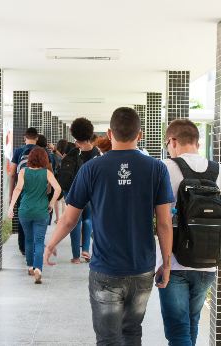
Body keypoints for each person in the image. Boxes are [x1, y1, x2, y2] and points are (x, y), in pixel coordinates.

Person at [43, 107, 175, 345]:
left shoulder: (91, 169)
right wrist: (166, 263)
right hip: (142, 269)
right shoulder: (157, 168)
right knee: (132, 332)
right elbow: (165, 222)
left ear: (109, 132)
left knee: (107, 339)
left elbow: (70, 218)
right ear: (141, 134)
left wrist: (50, 244)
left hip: (105, 270)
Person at [159, 119, 221, 346]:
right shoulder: (220, 171)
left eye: (168, 144)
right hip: (208, 263)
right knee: (192, 324)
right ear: (197, 145)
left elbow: (159, 219)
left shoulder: (164, 168)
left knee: (178, 331)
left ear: (172, 142)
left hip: (174, 263)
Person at [8, 147, 61, 284]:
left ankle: (30, 266)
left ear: (30, 158)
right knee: (39, 240)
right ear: (44, 159)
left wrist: (11, 206)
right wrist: (51, 202)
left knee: (28, 239)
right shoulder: (47, 173)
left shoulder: (23, 171)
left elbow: (18, 188)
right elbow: (58, 188)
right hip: (41, 211)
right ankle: (38, 269)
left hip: (24, 211)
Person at [64, 118, 100, 263]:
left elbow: (64, 171)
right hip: (91, 192)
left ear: (74, 134)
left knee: (74, 221)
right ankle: (86, 249)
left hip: (74, 191)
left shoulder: (72, 151)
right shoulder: (96, 152)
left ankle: (76, 256)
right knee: (87, 218)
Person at [9, 127, 39, 255]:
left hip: (22, 190)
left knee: (23, 217)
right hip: (38, 190)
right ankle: (35, 245)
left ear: (24, 138)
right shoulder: (42, 151)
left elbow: (12, 174)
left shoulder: (18, 151)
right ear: (37, 138)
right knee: (37, 218)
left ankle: (23, 248)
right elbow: (49, 171)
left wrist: (11, 194)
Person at [53, 139, 68, 223]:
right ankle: (63, 218)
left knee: (56, 199)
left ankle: (57, 218)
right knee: (63, 201)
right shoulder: (68, 155)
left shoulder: (55, 155)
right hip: (65, 177)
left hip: (56, 177)